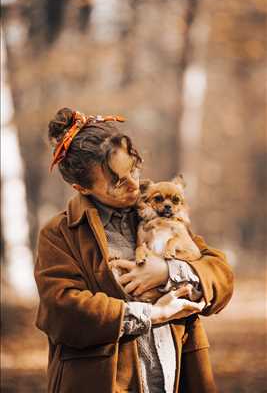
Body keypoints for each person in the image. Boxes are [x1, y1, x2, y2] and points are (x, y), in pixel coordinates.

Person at [34, 108, 234, 393]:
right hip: (102, 381)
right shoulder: (60, 233)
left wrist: (168, 272)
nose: (133, 184)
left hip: (175, 377)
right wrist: (153, 314)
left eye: (134, 168)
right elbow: (62, 311)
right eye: (117, 180)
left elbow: (221, 277)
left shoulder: (157, 211)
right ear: (82, 188)